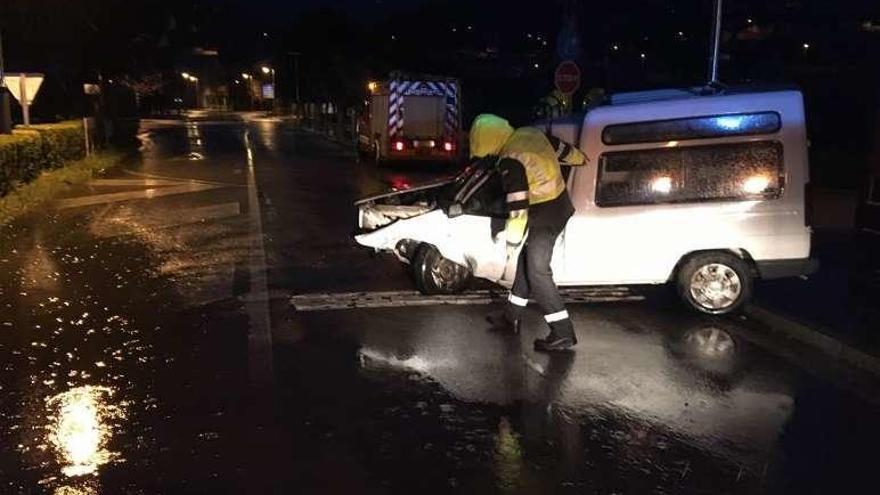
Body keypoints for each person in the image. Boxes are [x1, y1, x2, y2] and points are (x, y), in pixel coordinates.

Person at [469, 114, 587, 352]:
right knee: (526, 263)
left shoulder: (509, 160)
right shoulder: (529, 133)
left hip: (545, 213)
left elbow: (518, 208)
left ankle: (563, 332)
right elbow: (561, 148)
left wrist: (511, 242)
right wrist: (580, 158)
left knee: (537, 272)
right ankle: (510, 317)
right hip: (558, 205)